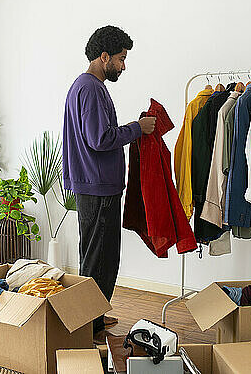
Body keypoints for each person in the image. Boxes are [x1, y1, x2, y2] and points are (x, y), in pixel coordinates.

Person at [62, 25, 156, 342]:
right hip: (97, 189)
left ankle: (95, 318)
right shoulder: (89, 89)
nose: (124, 65)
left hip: (96, 186)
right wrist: (137, 128)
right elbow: (99, 139)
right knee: (98, 260)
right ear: (105, 57)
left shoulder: (89, 87)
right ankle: (85, 326)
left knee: (102, 257)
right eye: (121, 58)